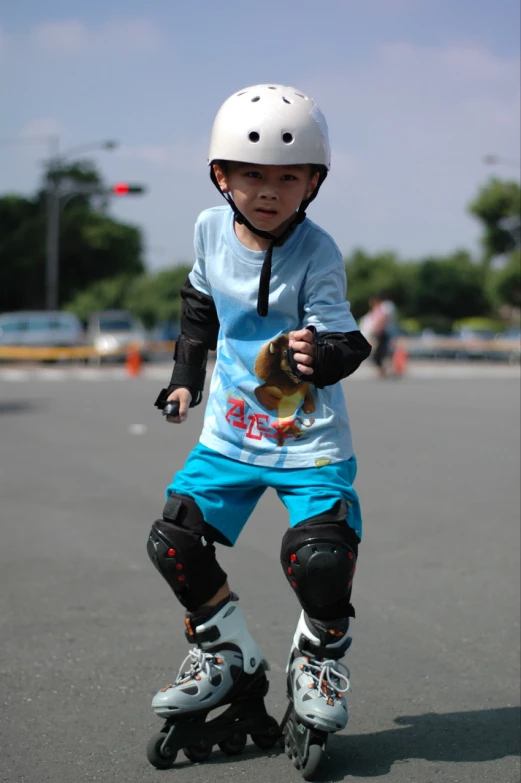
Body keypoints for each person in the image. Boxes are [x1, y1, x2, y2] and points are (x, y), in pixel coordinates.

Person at [146, 84, 372, 763]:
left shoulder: (318, 250)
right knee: (174, 541)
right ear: (221, 176)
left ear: (312, 183)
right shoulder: (208, 229)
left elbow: (348, 341)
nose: (268, 191)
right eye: (251, 176)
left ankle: (319, 659)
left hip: (308, 441)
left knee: (321, 560)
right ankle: (228, 655)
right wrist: (185, 379)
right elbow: (197, 304)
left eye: (287, 177)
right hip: (230, 434)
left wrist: (320, 353)